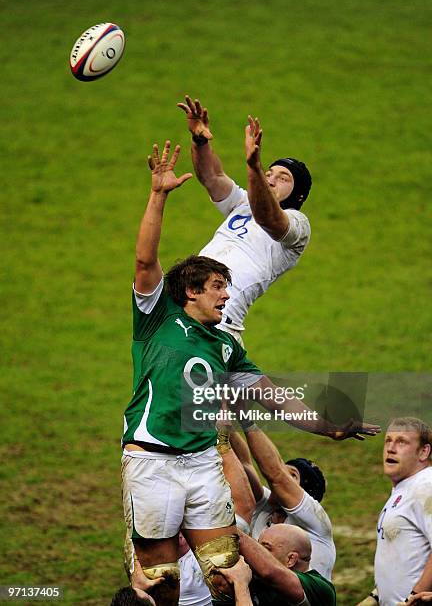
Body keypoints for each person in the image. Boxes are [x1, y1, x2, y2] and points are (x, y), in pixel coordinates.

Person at [121, 140, 379, 605]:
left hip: (200, 458)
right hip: (153, 460)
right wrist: (193, 152)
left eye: (285, 177)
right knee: (162, 583)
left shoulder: (292, 227)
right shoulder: (158, 316)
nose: (226, 292)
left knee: (229, 577)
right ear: (193, 291)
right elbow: (202, 189)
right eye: (218, 287)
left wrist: (327, 426)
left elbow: (274, 395)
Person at [178, 96, 312, 343]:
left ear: (299, 195)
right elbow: (212, 176)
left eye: (283, 178)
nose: (271, 179)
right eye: (269, 173)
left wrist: (255, 168)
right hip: (188, 310)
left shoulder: (298, 225)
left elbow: (269, 218)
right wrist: (199, 140)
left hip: (219, 324)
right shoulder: (242, 202)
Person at [230, 422, 336, 580]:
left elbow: (276, 474)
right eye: (284, 467)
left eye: (292, 475)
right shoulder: (266, 506)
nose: (284, 473)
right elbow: (243, 463)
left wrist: (246, 420)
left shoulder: (315, 521)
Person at [357, 417, 432, 606]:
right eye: (388, 441)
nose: (391, 448)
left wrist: (414, 598)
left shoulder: (426, 487)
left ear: (424, 452)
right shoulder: (406, 489)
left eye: (402, 442)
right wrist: (375, 597)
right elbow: (404, 557)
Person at [240, 523, 336, 605]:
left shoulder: (319, 588)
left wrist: (231, 531)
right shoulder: (254, 578)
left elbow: (271, 572)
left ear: (291, 559)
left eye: (265, 549)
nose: (256, 554)